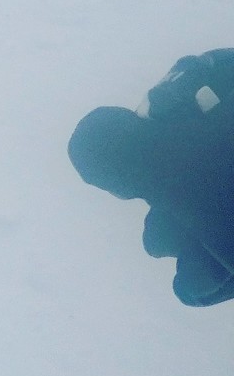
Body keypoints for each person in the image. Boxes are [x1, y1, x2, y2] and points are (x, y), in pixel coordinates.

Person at [68, 50, 234, 307]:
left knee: (189, 287)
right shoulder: (177, 101)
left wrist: (196, 261)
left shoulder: (199, 214)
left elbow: (193, 287)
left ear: (120, 187)